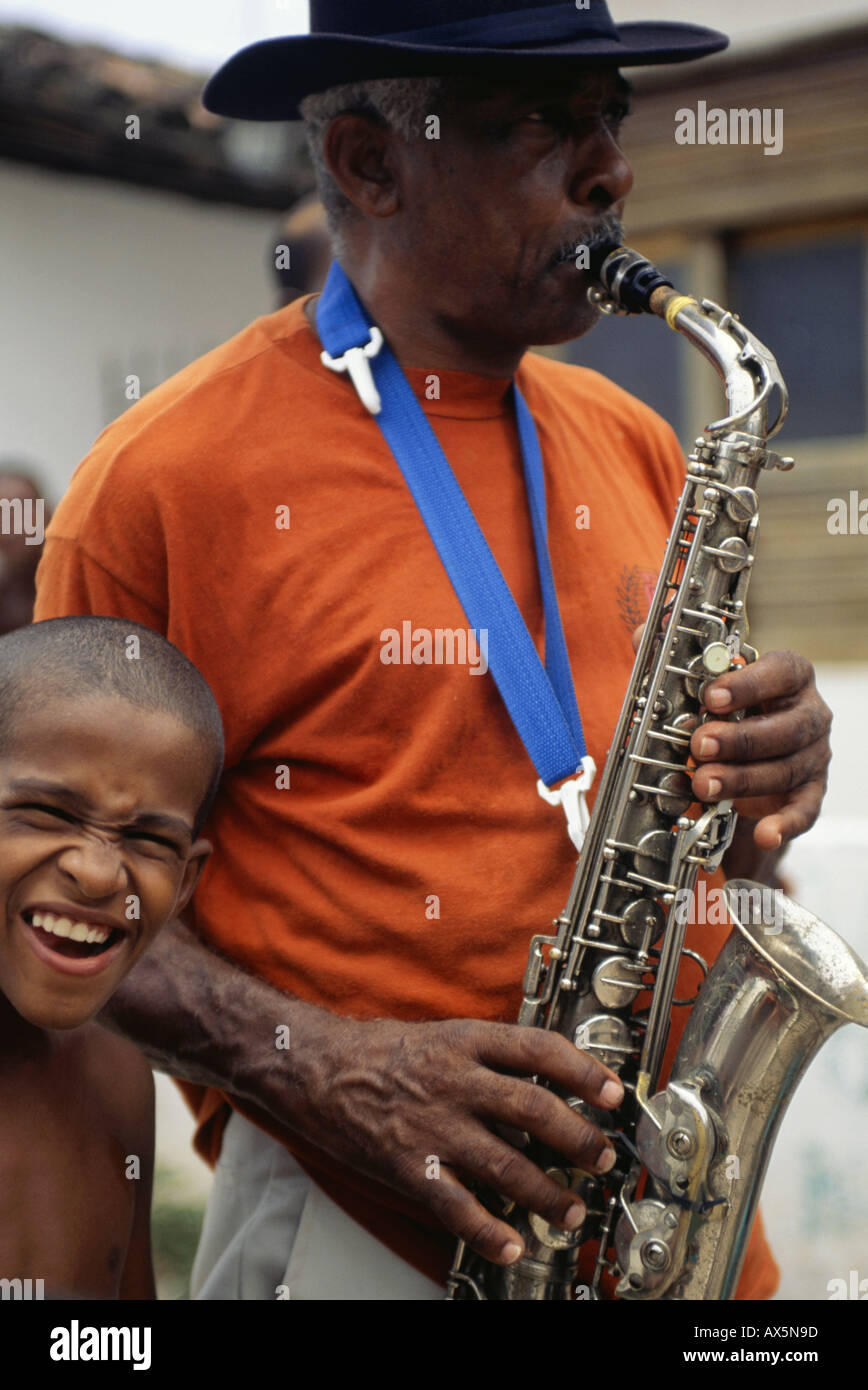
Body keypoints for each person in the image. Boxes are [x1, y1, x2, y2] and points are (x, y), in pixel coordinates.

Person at [33, 2, 832, 1300]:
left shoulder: (636, 440)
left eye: (608, 119)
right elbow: (60, 889)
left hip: (665, 1223)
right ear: (367, 162)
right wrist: (322, 1064)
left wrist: (767, 772)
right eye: (542, 125)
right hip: (368, 1228)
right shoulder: (162, 480)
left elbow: (684, 824)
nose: (612, 170)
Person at [0, 617, 220, 1298]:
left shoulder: (117, 1078)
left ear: (186, 884)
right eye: (49, 812)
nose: (99, 875)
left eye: (149, 841)